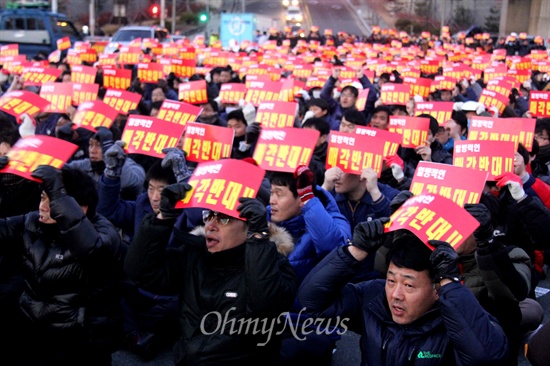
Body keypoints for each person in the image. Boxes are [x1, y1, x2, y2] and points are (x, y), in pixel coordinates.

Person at [124, 183, 297, 365]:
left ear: (250, 227)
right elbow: (140, 271)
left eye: (223, 219)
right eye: (208, 216)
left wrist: (258, 239)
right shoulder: (194, 255)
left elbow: (264, 305)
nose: (210, 226)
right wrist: (163, 218)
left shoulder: (277, 268)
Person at [298, 222, 509, 365]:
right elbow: (310, 303)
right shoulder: (373, 296)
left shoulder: (458, 317)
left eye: (409, 286)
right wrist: (354, 251)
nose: (395, 294)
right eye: (391, 280)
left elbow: (487, 357)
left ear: (437, 288)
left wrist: (449, 284)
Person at [0, 162, 125, 365]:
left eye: (52, 202)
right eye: (42, 198)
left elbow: (92, 251)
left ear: (81, 208)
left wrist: (59, 193)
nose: (42, 206)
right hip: (34, 331)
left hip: (81, 342)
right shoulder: (32, 222)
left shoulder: (104, 234)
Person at [66, 126, 145, 200]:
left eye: (99, 145)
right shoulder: (85, 165)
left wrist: (113, 159)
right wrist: (65, 138)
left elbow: (133, 183)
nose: (93, 150)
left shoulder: (130, 166)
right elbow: (62, 170)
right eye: (90, 145)